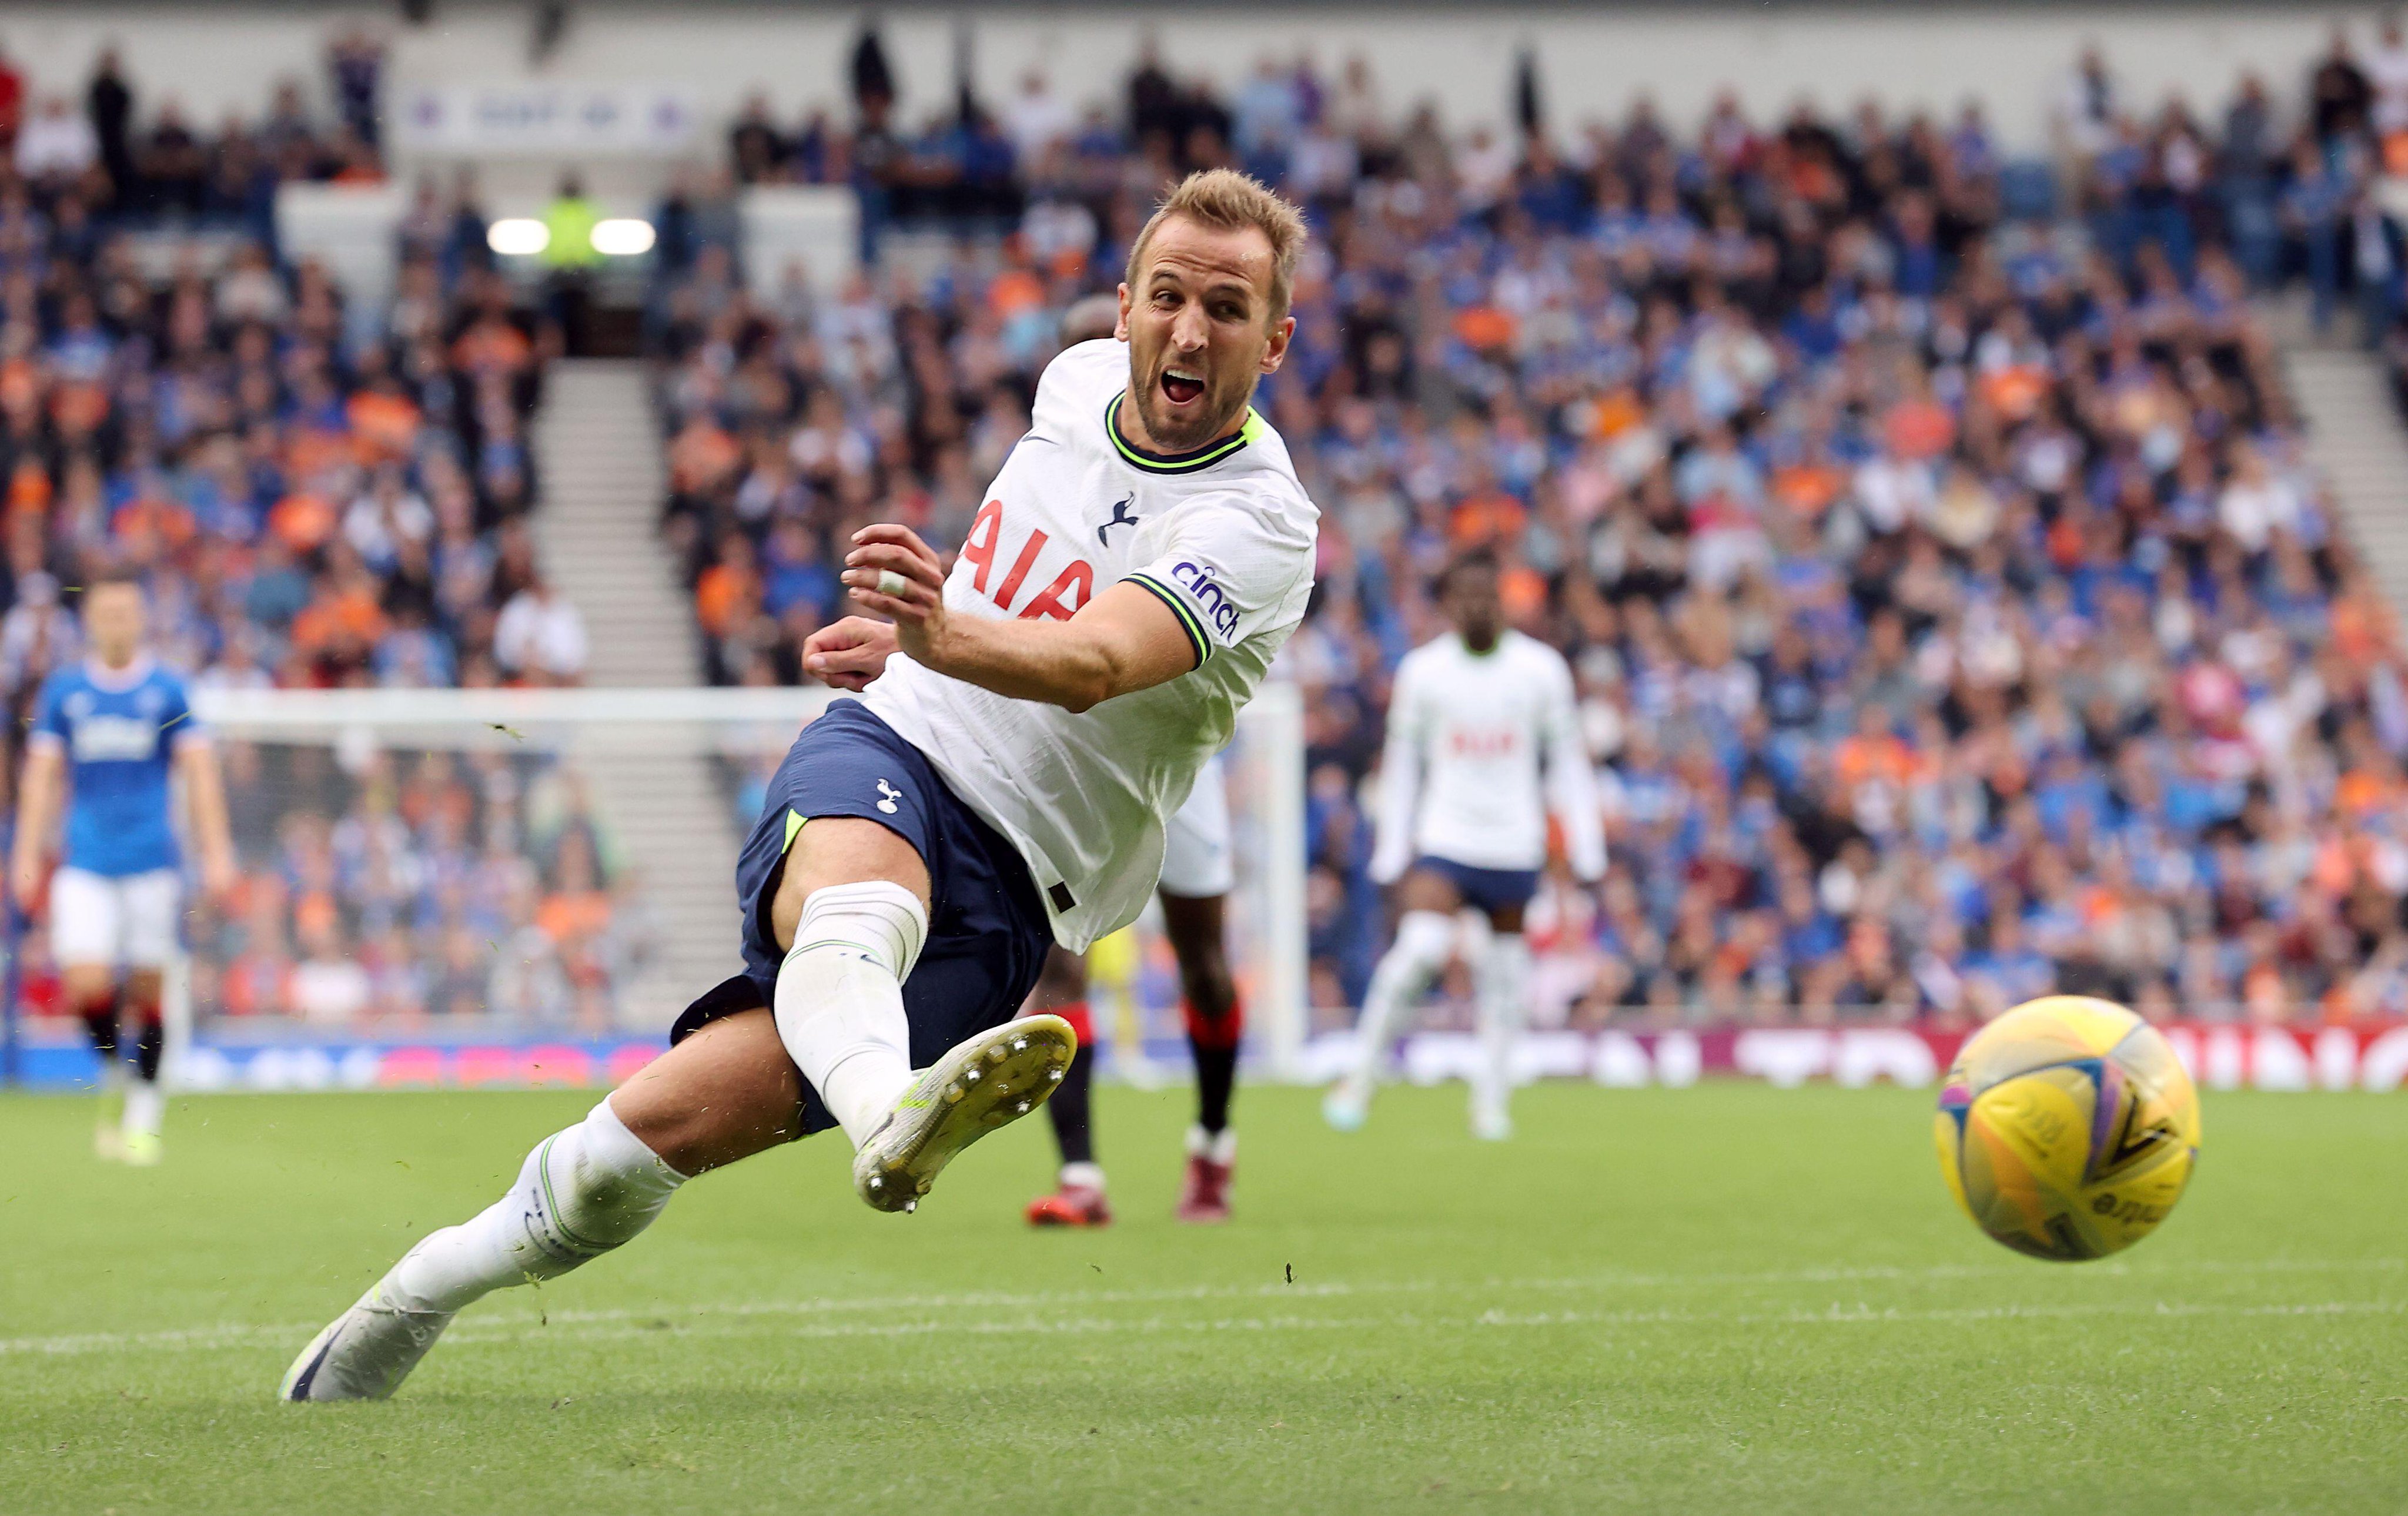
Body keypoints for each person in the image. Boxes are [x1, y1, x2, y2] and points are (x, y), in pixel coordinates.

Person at [279, 168, 1317, 1402]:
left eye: (1225, 307)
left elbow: (1098, 659)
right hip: (896, 741)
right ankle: (891, 1109)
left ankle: (423, 1282)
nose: (1188, 329)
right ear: (1124, 303)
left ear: (1274, 339)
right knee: (856, 905)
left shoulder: (1261, 521)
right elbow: (1017, 596)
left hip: (1020, 887)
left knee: (638, 1149)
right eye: (1165, 296)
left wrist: (941, 631)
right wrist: (919, 652)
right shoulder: (1075, 381)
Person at [1022, 291, 1250, 1229]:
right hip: (1070, 757)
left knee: (1203, 963)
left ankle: (1212, 1146)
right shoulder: (1049, 469)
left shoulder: (1213, 485)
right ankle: (1082, 1177)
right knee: (1056, 969)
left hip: (1168, 764)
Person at [1323, 551, 1604, 1141]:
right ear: (1448, 606)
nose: (1477, 607)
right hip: (1447, 840)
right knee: (1418, 951)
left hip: (1513, 845)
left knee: (1504, 978)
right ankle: (1360, 1075)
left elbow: (1568, 761)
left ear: (1502, 603)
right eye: (1464, 597)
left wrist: (1585, 843)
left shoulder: (1540, 669)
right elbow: (1403, 765)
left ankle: (1490, 1104)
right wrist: (1393, 849)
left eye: (1487, 596)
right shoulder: (1425, 672)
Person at [8, 571, 236, 1165]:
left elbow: (199, 773)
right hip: (85, 859)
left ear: (141, 618)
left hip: (152, 862)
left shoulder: (166, 689)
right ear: (90, 621)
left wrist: (217, 852)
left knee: (148, 990)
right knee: (85, 984)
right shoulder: (64, 691)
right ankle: (118, 1069)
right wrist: (27, 853)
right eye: (106, 613)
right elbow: (41, 777)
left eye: (126, 612)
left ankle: (142, 1115)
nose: (116, 623)